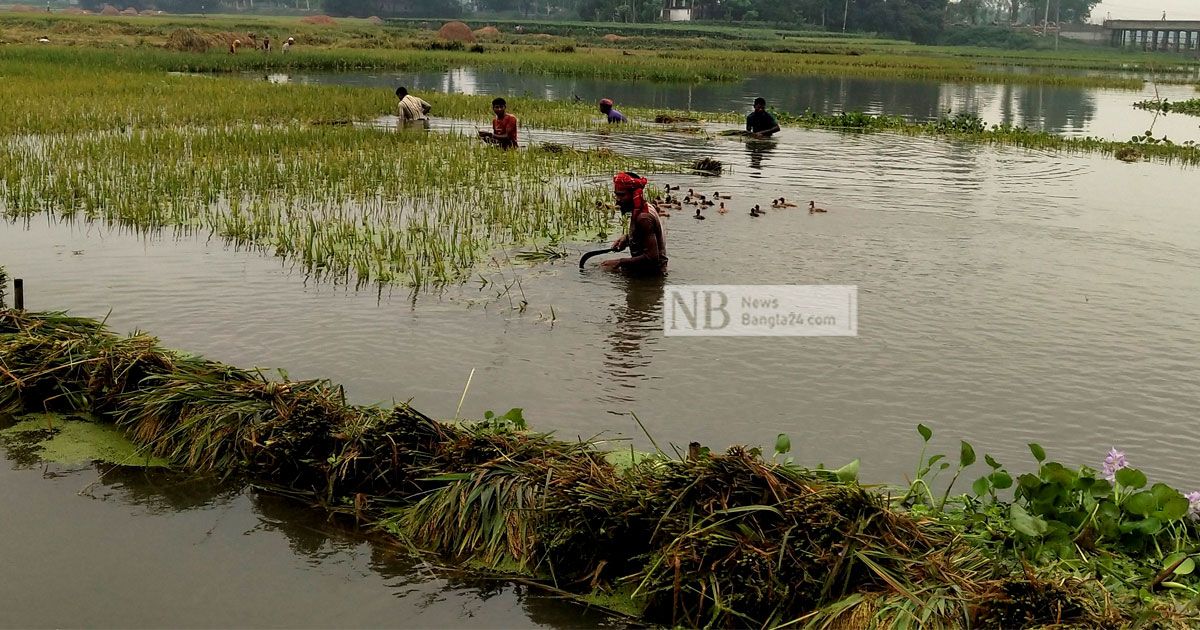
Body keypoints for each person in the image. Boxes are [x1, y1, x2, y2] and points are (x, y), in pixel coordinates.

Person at [601, 172, 667, 275]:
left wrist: (620, 262)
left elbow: (652, 257)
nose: (618, 200)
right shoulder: (641, 208)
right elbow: (644, 237)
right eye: (616, 194)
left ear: (634, 194)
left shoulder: (643, 218)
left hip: (650, 278)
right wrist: (627, 238)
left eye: (622, 195)